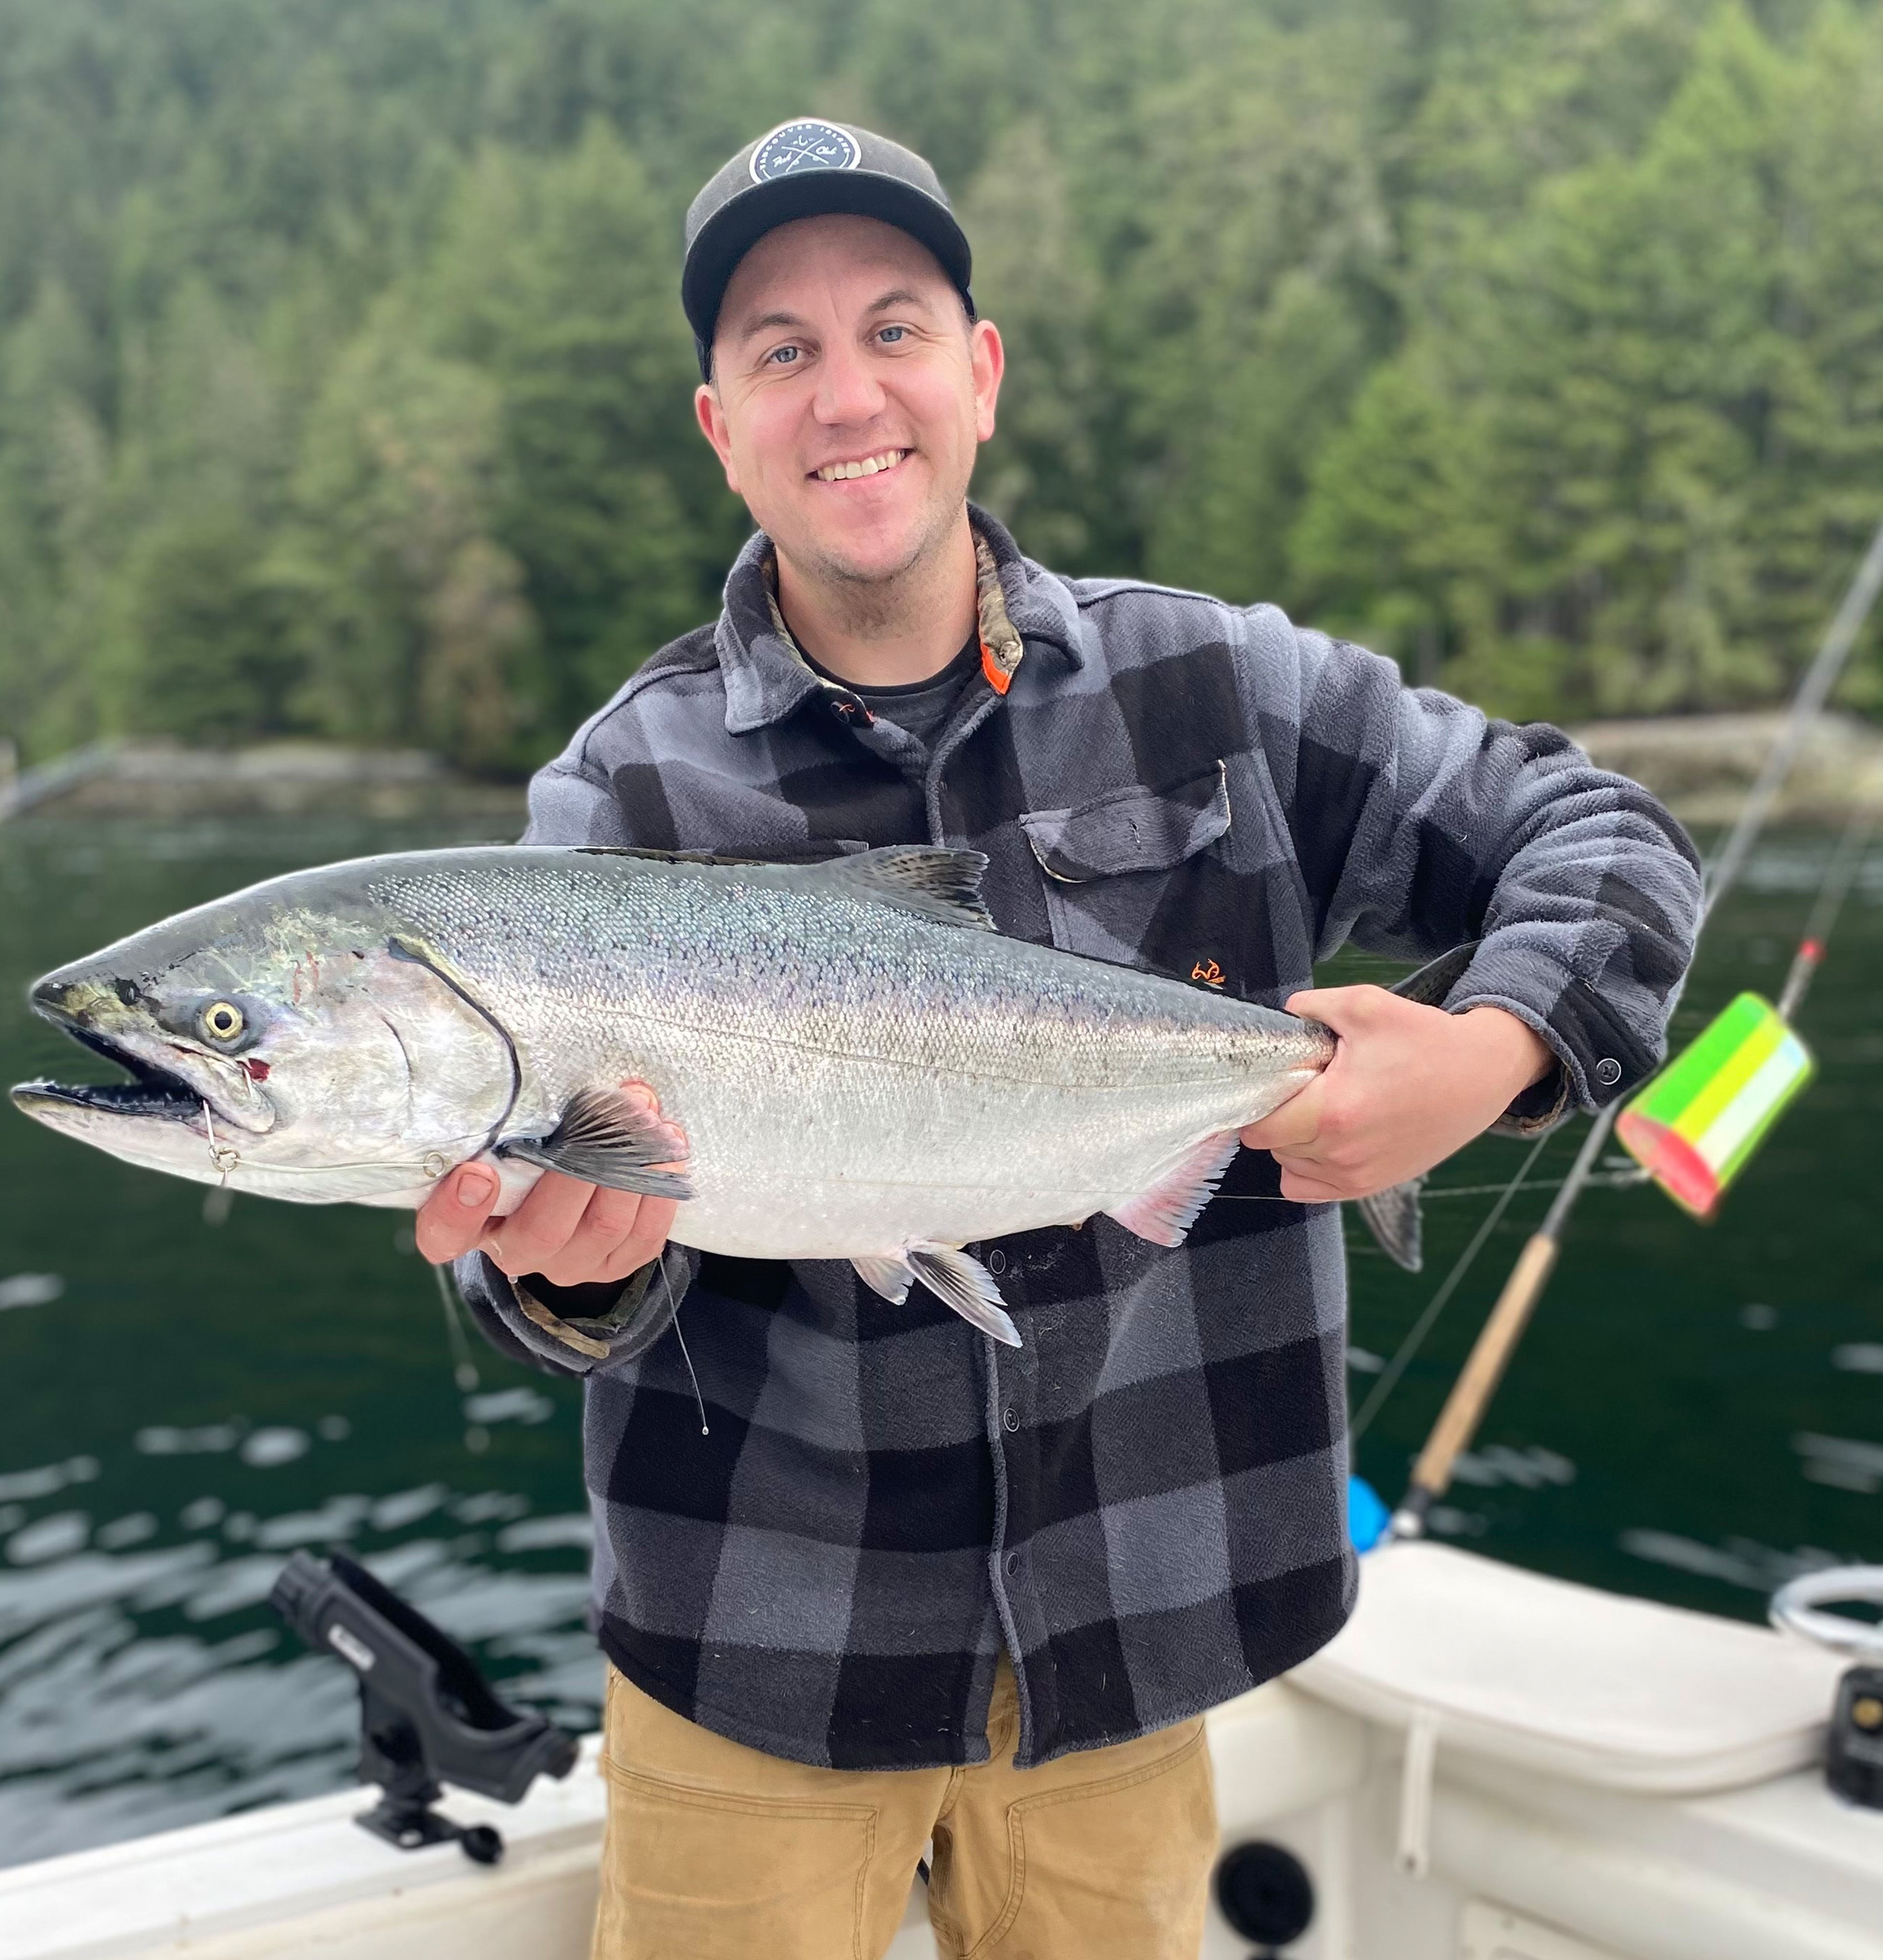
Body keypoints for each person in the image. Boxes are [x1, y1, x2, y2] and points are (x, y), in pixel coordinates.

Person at [416, 119, 1702, 1960]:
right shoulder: (619, 793)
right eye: (779, 350)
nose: (847, 393)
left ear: (982, 373)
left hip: (1136, 1645)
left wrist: (1488, 1054)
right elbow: (519, 1286)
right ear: (720, 426)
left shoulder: (1222, 689)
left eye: (895, 329)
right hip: (752, 1672)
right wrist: (566, 1283)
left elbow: (1609, 837)